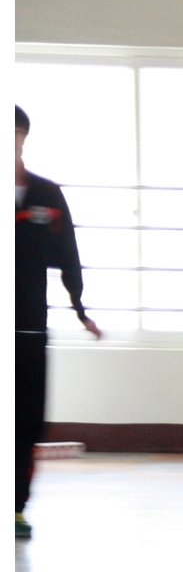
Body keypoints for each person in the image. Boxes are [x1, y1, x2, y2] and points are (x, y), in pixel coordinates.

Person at [15, 105, 102, 539]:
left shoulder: (47, 196)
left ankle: (15, 507)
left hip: (28, 329)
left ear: (23, 137)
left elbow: (68, 253)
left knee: (26, 422)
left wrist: (80, 308)